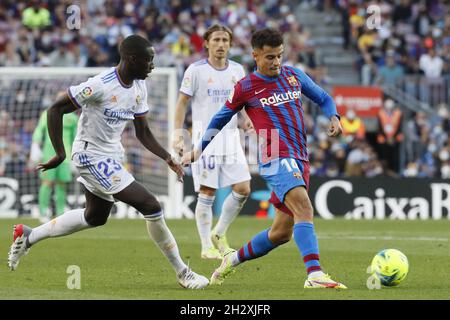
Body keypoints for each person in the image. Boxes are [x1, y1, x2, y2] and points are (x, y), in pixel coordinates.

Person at [8, 35, 209, 290]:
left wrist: (168, 158)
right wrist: (60, 153)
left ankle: (29, 236)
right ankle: (183, 272)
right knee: (151, 205)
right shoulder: (100, 85)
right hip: (90, 156)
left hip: (112, 155)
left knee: (95, 217)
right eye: (149, 61)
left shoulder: (139, 86)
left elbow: (143, 132)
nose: (152, 66)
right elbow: (55, 109)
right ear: (131, 59)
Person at [182, 28, 347, 289]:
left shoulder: (293, 75)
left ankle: (231, 260)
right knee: (304, 208)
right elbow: (219, 119)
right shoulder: (245, 87)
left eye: (279, 56)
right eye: (270, 57)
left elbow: (324, 98)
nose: (276, 62)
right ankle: (314, 274)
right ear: (255, 56)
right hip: (274, 154)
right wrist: (198, 149)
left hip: (299, 156)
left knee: (281, 233)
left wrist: (334, 116)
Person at [173, 24, 251, 260]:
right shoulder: (195, 70)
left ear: (230, 44)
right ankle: (206, 246)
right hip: (204, 140)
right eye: (216, 40)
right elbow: (182, 104)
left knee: (243, 188)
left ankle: (219, 232)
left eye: (225, 40)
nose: (221, 44)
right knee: (208, 191)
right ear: (206, 43)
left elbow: (242, 102)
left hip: (231, 138)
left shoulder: (238, 70)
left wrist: (246, 119)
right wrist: (178, 134)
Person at [29, 94, 79, 223]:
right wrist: (35, 145)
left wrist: (76, 156)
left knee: (61, 184)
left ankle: (60, 212)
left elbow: (76, 137)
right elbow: (39, 130)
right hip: (49, 154)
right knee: (47, 183)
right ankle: (43, 212)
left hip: (66, 156)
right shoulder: (47, 113)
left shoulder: (73, 118)